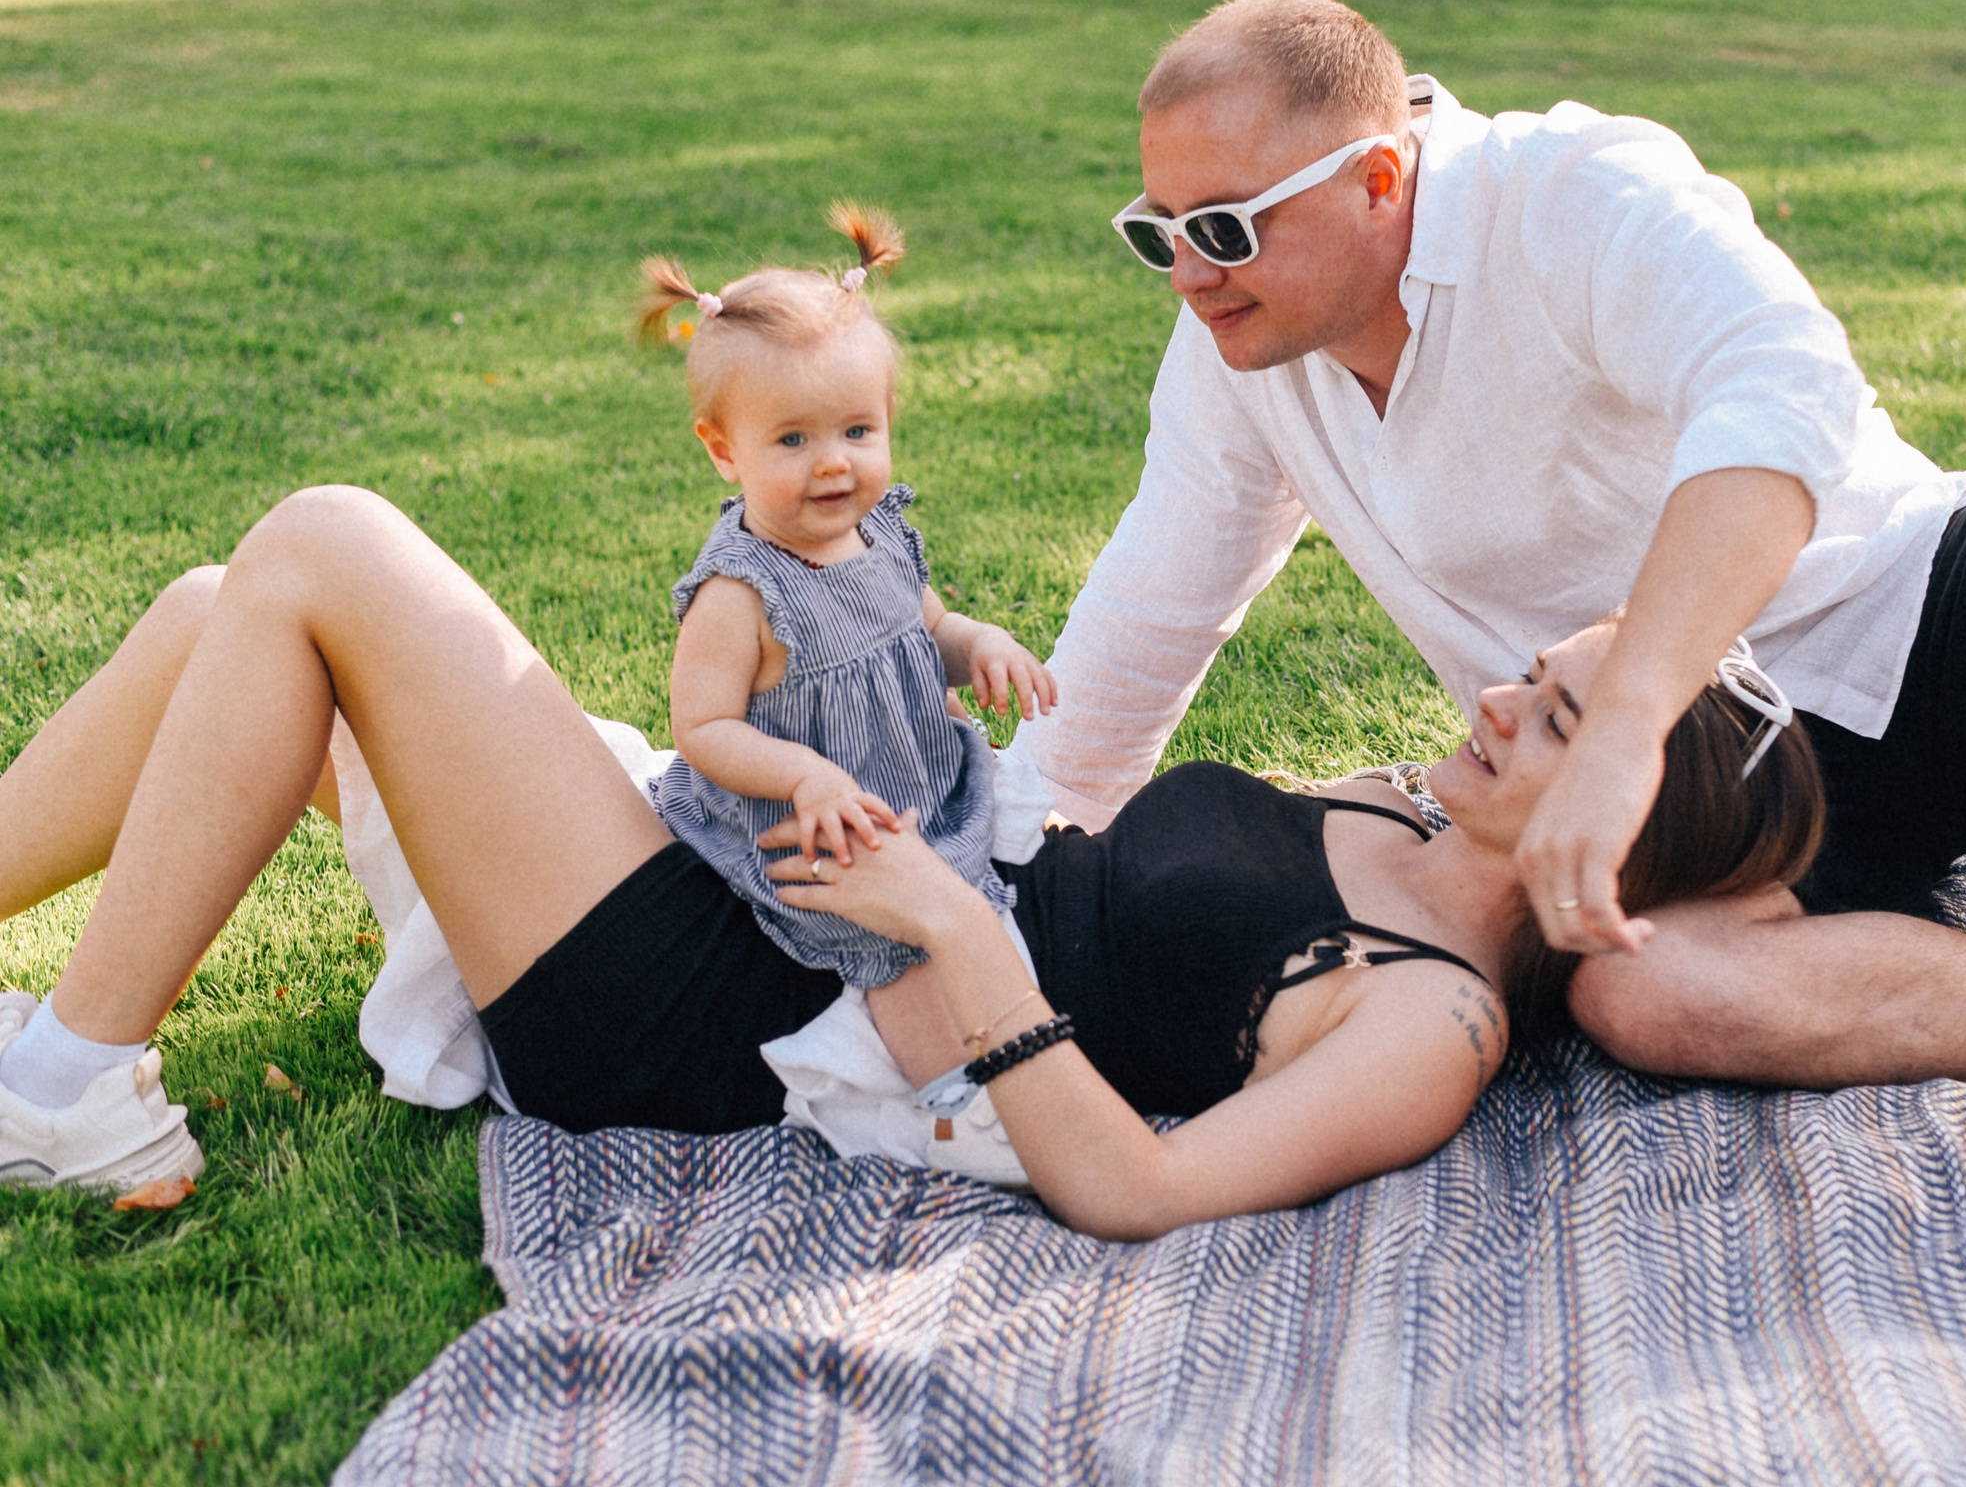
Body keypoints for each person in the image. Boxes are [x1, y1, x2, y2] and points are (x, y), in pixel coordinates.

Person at [1021, 0, 1966, 1323]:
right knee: (1645, 997)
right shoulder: (1241, 351)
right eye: (1154, 232)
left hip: (1889, 626)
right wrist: (1001, 861)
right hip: (1691, 809)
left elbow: (1780, 405)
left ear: (1375, 176)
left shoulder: (1573, 190)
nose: (1187, 270)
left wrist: (1626, 715)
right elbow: (1156, 614)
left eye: (1223, 228)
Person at [0, 489, 1819, 1239]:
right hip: (787, 878)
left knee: (328, 545)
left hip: (729, 1006)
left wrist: (955, 922)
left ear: (1625, 835)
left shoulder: (1430, 1025)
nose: (1505, 696)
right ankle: (70, 1048)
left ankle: (83, 1083)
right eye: (1550, 670)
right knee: (223, 613)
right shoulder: (1399, 807)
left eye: (1566, 718)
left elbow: (1142, 1192)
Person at [634, 202, 1054, 991]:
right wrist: (803, 776)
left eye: (856, 432)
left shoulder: (881, 530)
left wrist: (982, 642)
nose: (833, 464)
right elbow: (703, 726)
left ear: (888, 418)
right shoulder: (741, 590)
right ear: (724, 449)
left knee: (1017, 873)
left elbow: (930, 630)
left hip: (917, 786)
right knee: (892, 959)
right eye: (793, 440)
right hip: (807, 832)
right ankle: (929, 1088)